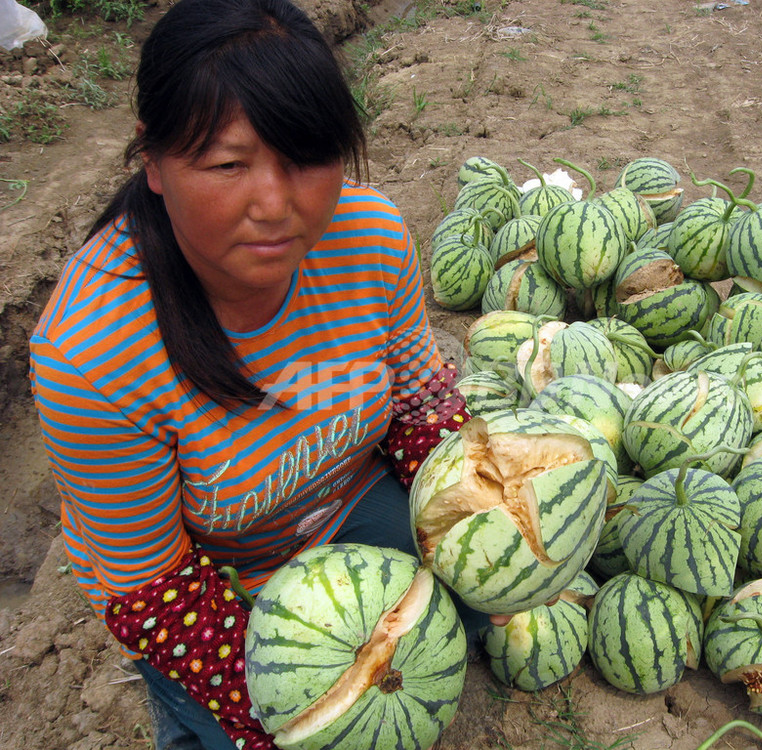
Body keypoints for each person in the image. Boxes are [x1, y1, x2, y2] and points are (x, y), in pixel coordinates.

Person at [28, 1, 477, 747]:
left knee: (466, 615)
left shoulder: (369, 238)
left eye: (304, 158)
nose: (275, 205)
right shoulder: (91, 356)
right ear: (155, 162)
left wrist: (485, 535)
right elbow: (155, 593)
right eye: (229, 164)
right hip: (214, 578)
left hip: (348, 499)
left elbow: (421, 403)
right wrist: (289, 712)